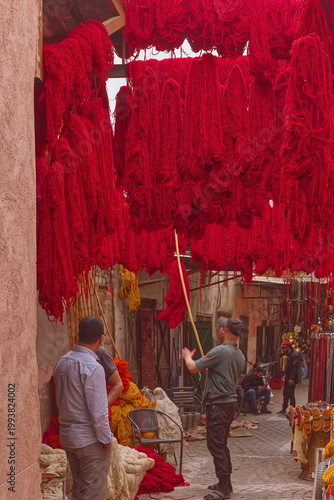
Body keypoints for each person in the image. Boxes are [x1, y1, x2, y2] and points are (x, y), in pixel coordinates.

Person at [182, 316, 246, 500]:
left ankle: (224, 487)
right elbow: (233, 379)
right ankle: (226, 482)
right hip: (229, 403)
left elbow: (193, 368)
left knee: (215, 445)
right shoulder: (239, 354)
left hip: (218, 404)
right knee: (221, 444)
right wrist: (215, 371)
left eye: (221, 327)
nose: (220, 329)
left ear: (224, 331)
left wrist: (188, 357)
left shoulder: (219, 351)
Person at [53, 316, 113, 500]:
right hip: (89, 440)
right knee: (93, 492)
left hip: (69, 437)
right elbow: (99, 412)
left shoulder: (62, 362)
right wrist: (106, 439)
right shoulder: (93, 367)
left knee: (78, 489)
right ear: (100, 339)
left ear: (78, 334)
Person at [277, 341, 299, 415]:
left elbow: (295, 368)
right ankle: (284, 408)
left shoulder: (294, 355)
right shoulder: (290, 355)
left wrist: (292, 378)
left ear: (287, 348)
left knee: (290, 394)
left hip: (291, 377)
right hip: (288, 376)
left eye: (284, 348)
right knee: (285, 393)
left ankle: (292, 409)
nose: (283, 350)